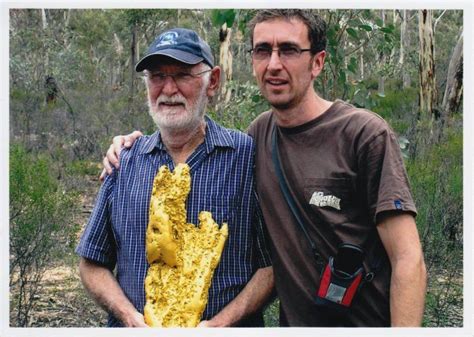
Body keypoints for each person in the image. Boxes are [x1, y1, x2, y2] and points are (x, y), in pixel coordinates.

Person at [102, 9, 427, 327]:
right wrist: (131, 145)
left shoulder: (363, 134)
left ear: (317, 62)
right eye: (262, 50)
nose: (274, 64)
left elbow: (408, 260)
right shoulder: (257, 137)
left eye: (288, 50)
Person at [76, 27, 273, 328]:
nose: (168, 89)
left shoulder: (247, 156)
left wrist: (220, 324)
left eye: (182, 75)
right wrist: (130, 319)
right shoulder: (125, 161)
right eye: (157, 76)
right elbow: (92, 263)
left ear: (213, 81)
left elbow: (272, 266)